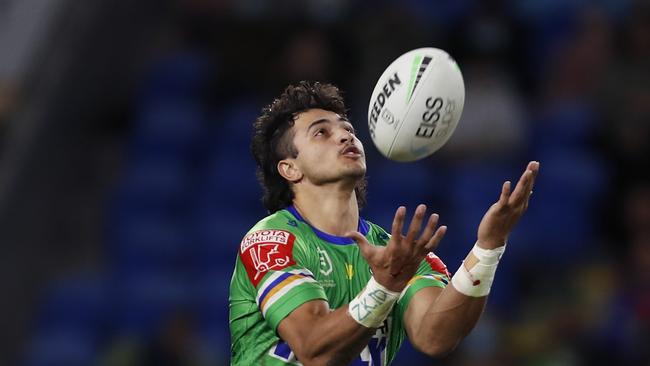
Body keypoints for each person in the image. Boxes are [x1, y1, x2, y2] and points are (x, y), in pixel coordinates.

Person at [228, 81, 539, 365]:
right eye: (321, 132)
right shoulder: (270, 242)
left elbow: (435, 337)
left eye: (347, 128)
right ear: (290, 169)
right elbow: (313, 348)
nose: (345, 135)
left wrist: (488, 247)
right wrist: (385, 285)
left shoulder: (398, 253)